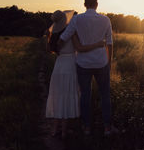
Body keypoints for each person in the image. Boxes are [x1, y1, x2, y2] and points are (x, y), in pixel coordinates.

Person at [58, 0, 117, 136]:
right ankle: (107, 127)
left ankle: (86, 127)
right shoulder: (106, 20)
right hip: (101, 63)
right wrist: (109, 64)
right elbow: (109, 44)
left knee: (85, 95)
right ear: (97, 4)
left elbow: (63, 38)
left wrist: (57, 51)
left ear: (84, 4)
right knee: (105, 95)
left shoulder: (77, 20)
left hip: (83, 64)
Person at [45, 10, 104, 138]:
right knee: (67, 95)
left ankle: (55, 129)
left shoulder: (54, 35)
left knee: (59, 96)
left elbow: (49, 50)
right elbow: (81, 48)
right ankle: (64, 131)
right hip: (70, 65)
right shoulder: (70, 33)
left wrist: (48, 37)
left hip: (59, 66)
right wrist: (98, 44)